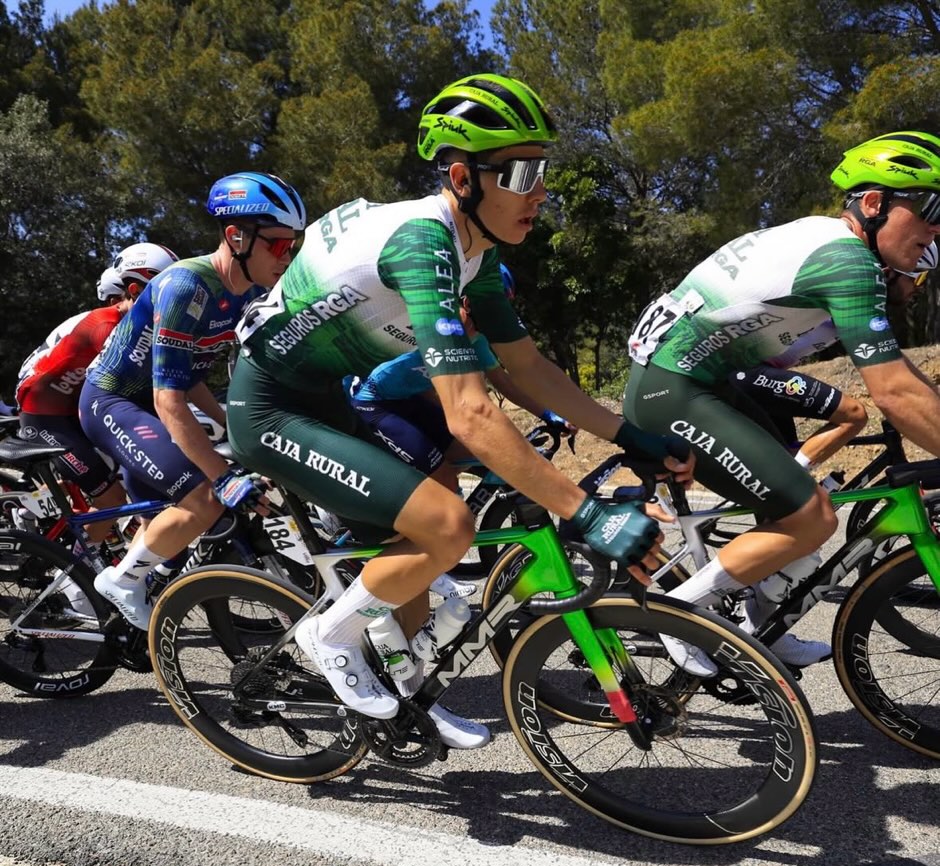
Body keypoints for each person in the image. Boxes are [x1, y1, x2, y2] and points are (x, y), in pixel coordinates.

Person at [226, 73, 693, 750]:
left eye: (543, 173)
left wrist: (629, 434)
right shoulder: (424, 244)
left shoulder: (477, 252)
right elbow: (468, 412)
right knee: (448, 525)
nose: (540, 192)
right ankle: (328, 634)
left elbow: (528, 369)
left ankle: (404, 693)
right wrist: (585, 512)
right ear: (461, 177)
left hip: (323, 398)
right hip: (268, 407)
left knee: (416, 559)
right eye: (522, 174)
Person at [624, 130, 940, 675]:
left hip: (707, 382)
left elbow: (902, 376)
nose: (937, 228)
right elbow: (892, 391)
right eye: (931, 209)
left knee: (799, 503)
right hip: (672, 388)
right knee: (811, 514)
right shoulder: (847, 262)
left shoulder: (826, 240)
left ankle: (762, 623)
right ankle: (676, 615)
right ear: (873, 203)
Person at [78, 172, 306, 629]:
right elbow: (169, 400)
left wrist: (235, 430)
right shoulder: (186, 287)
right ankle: (119, 581)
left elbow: (191, 376)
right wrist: (223, 478)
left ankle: (134, 617)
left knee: (172, 515)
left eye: (294, 246)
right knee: (206, 496)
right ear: (236, 237)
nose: (288, 257)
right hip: (112, 400)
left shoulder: (251, 293)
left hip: (156, 402)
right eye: (280, 244)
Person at [349, 264, 575, 493]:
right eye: (492, 308)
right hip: (375, 402)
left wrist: (549, 415)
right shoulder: (431, 321)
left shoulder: (477, 341)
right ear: (467, 302)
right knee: (445, 479)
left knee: (474, 452)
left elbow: (504, 384)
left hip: (413, 398)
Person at [15, 244, 179, 541]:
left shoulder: (128, 323)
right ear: (134, 291)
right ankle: (78, 566)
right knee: (111, 498)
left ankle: (39, 509)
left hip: (70, 407)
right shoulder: (107, 327)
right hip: (45, 416)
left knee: (125, 466)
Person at [728, 242, 938, 472]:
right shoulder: (851, 293)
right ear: (888, 273)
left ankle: (785, 489)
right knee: (853, 416)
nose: (920, 288)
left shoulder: (863, 303)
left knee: (785, 457)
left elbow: (895, 362)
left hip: (756, 373)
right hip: (744, 369)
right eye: (919, 278)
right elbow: (892, 382)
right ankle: (793, 486)